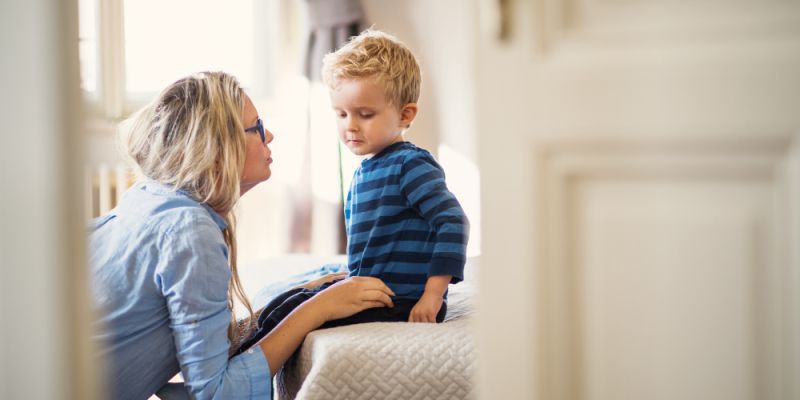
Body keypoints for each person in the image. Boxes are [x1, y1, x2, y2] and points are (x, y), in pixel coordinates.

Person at [88, 71, 395, 400]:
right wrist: (320, 308)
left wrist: (298, 297)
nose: (269, 136)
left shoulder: (147, 199)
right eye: (256, 128)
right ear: (217, 151)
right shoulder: (190, 231)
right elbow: (217, 393)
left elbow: (200, 352)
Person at [233, 29, 469, 350]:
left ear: (405, 115)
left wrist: (432, 295)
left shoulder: (410, 165)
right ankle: (232, 351)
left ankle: (237, 360)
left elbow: (453, 222)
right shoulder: (366, 170)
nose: (350, 126)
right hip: (371, 292)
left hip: (400, 301)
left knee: (296, 313)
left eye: (365, 114)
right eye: (341, 114)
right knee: (289, 300)